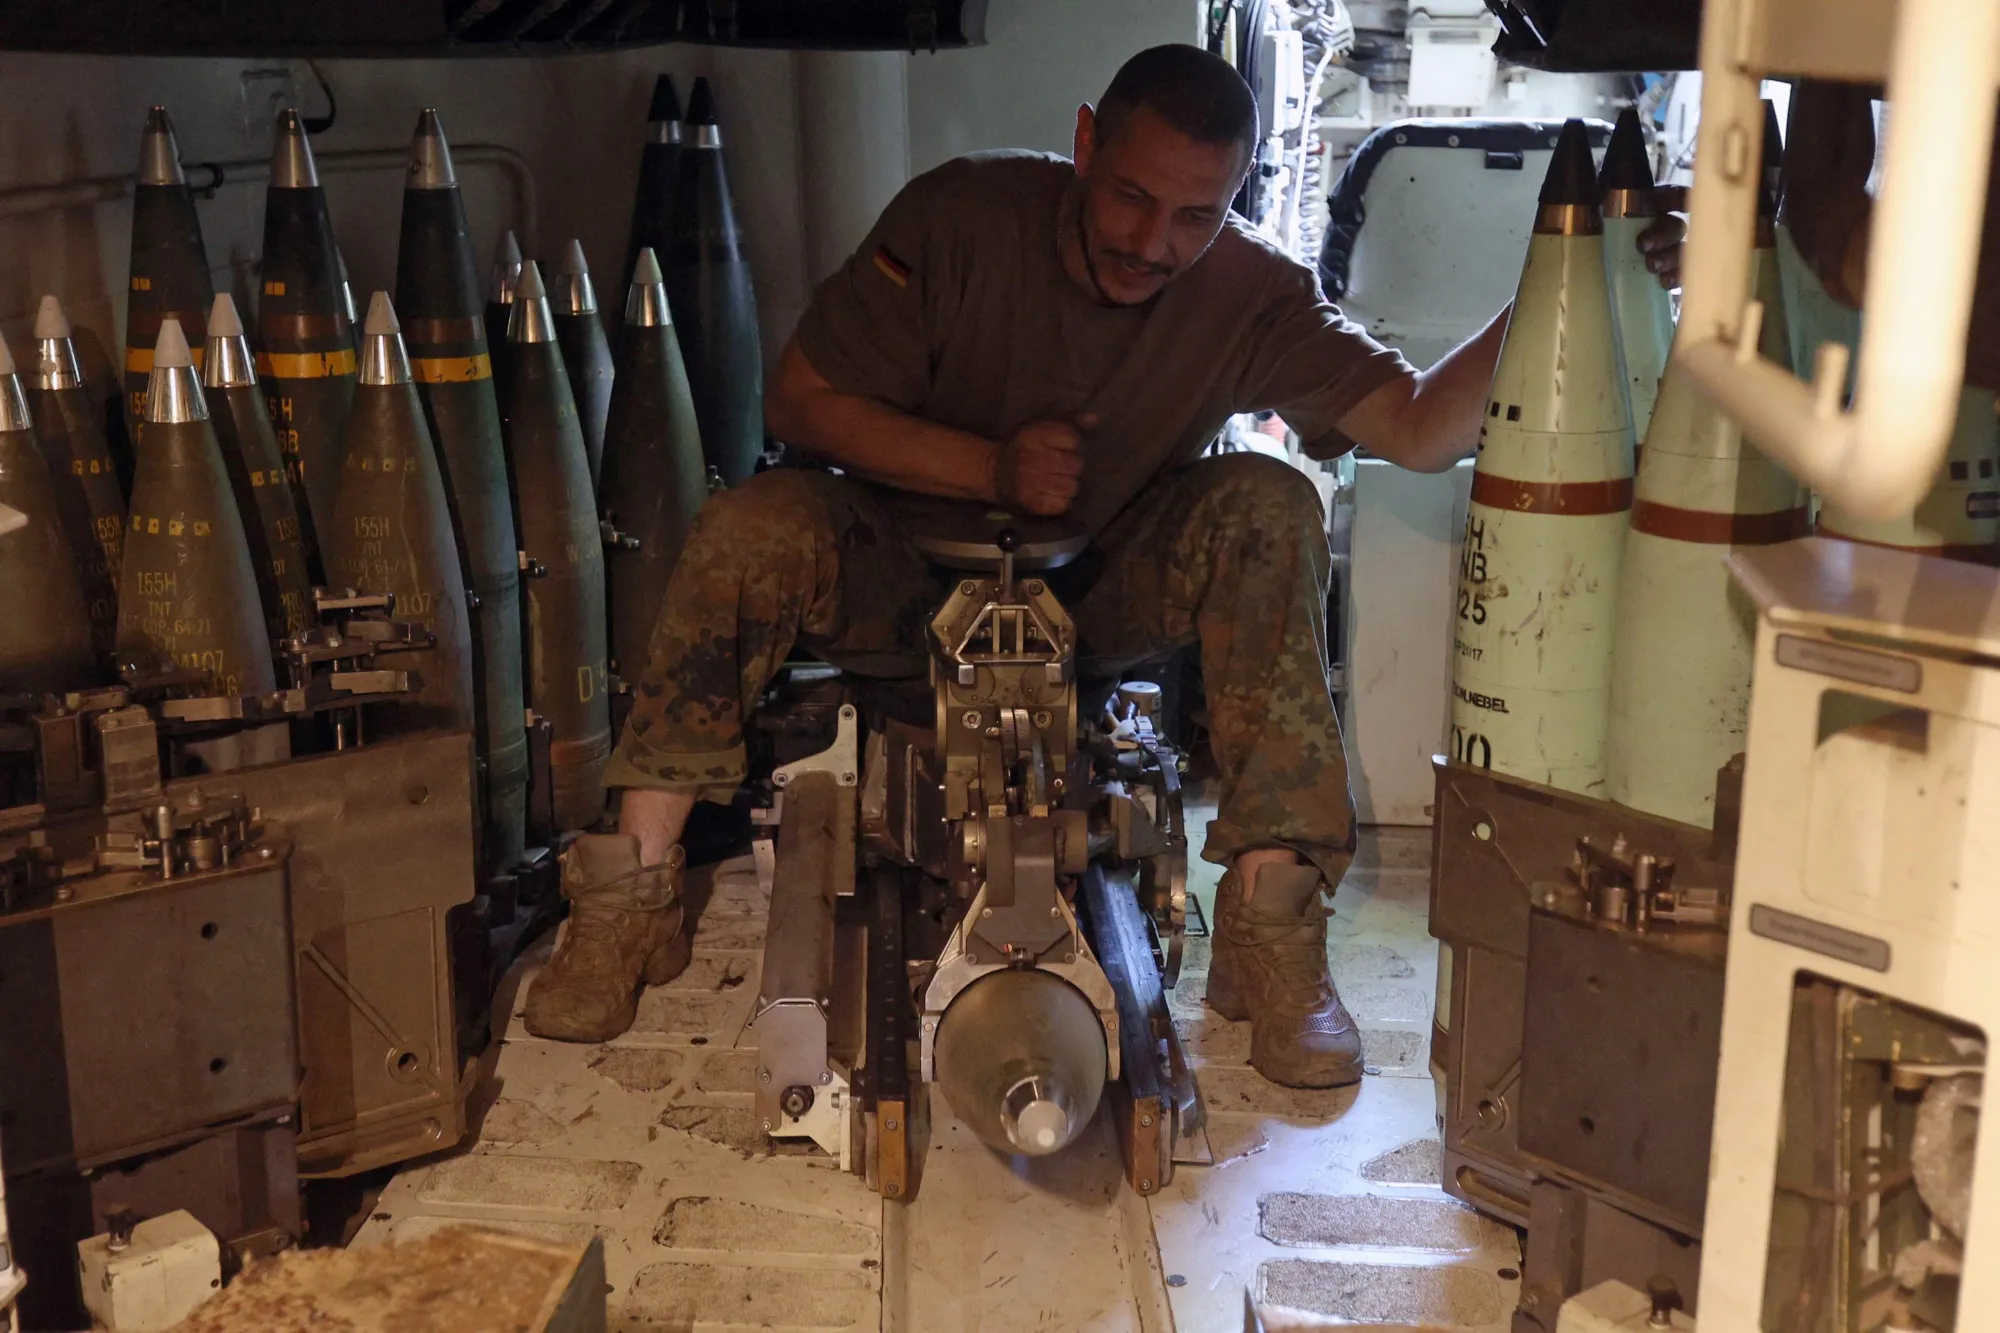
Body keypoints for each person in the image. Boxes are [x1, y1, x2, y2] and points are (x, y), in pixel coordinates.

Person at [524, 44, 1683, 1089]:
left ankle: (1271, 929)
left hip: (1094, 589)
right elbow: (803, 399)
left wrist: (1571, 266)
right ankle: (631, 889)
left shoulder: (1244, 291)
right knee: (749, 526)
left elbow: (1423, 426)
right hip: (897, 576)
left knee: (1268, 503)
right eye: (1130, 196)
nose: (1150, 244)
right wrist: (986, 464)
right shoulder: (960, 218)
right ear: (1085, 141)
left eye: (1193, 215)